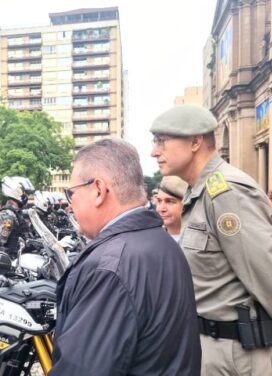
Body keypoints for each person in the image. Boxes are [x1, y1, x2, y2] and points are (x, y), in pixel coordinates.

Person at [149, 104, 272, 375]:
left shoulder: (226, 191)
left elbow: (270, 276)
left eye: (162, 141)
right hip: (221, 350)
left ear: (195, 141)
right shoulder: (201, 192)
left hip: (250, 355)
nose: (154, 151)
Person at [50, 139, 201, 375]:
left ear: (99, 190)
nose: (70, 205)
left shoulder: (110, 267)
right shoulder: (160, 242)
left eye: (72, 193)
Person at [0, 176, 35, 257]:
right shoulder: (7, 215)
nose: (27, 196)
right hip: (12, 261)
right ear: (17, 191)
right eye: (26, 193)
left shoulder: (17, 213)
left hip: (21, 258)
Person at [155, 176, 188, 241]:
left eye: (169, 201)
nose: (161, 209)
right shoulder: (152, 239)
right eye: (159, 201)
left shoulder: (203, 238)